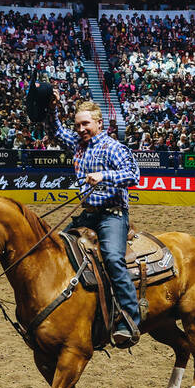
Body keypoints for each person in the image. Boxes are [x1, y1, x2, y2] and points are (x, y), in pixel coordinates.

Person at [48, 96, 143, 347]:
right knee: (55, 248)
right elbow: (55, 130)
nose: (81, 130)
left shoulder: (112, 147)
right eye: (78, 125)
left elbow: (134, 175)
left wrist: (104, 175)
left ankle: (130, 318)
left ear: (99, 124)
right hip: (89, 213)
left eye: (86, 124)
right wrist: (50, 105)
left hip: (112, 214)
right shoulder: (77, 143)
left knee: (112, 257)